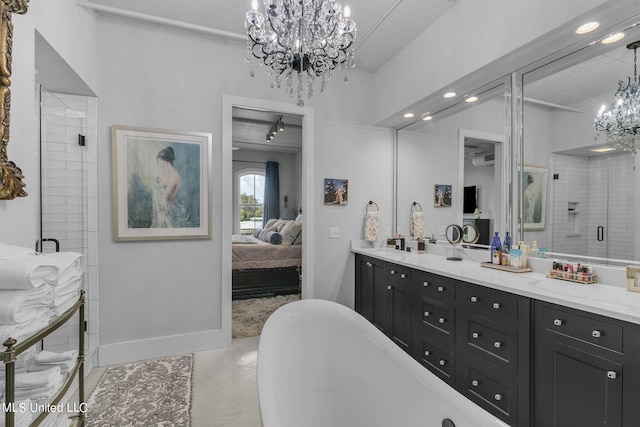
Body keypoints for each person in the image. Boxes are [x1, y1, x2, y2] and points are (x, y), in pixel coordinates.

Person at [152, 146, 187, 228]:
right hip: (161, 212)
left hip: (169, 212)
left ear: (165, 160)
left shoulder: (175, 176)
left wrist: (156, 186)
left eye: (159, 160)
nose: (158, 162)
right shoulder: (163, 174)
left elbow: (166, 196)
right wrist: (156, 184)